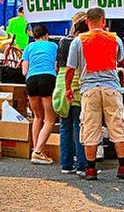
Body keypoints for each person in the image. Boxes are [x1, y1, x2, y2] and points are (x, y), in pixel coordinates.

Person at [66, 7, 124, 180]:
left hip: (89, 90)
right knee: (118, 127)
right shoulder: (115, 39)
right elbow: (121, 61)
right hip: (111, 89)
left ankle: (90, 170)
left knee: (90, 128)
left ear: (86, 22)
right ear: (103, 21)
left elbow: (70, 69)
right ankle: (123, 167)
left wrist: (68, 88)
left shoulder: (78, 41)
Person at [53, 12, 88, 176]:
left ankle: (66, 164)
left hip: (60, 87)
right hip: (75, 88)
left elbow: (56, 66)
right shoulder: (82, 43)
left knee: (65, 127)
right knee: (79, 127)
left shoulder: (62, 41)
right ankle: (82, 165)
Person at [21, 25, 58, 165]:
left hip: (31, 80)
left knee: (37, 116)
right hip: (48, 78)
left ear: (34, 36)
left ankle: (36, 150)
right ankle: (37, 152)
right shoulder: (53, 46)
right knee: (49, 119)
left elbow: (24, 71)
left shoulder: (29, 48)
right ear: (47, 35)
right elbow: (55, 67)